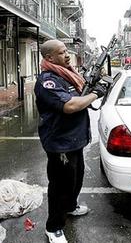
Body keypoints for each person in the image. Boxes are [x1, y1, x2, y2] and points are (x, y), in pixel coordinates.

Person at [34, 40, 106, 243]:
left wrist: (94, 85)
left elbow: (80, 95)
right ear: (49, 58)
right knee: (60, 186)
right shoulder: (48, 80)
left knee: (76, 178)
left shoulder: (67, 74)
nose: (67, 55)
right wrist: (95, 94)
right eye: (62, 52)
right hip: (60, 143)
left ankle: (71, 206)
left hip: (74, 139)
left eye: (67, 51)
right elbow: (71, 106)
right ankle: (54, 227)